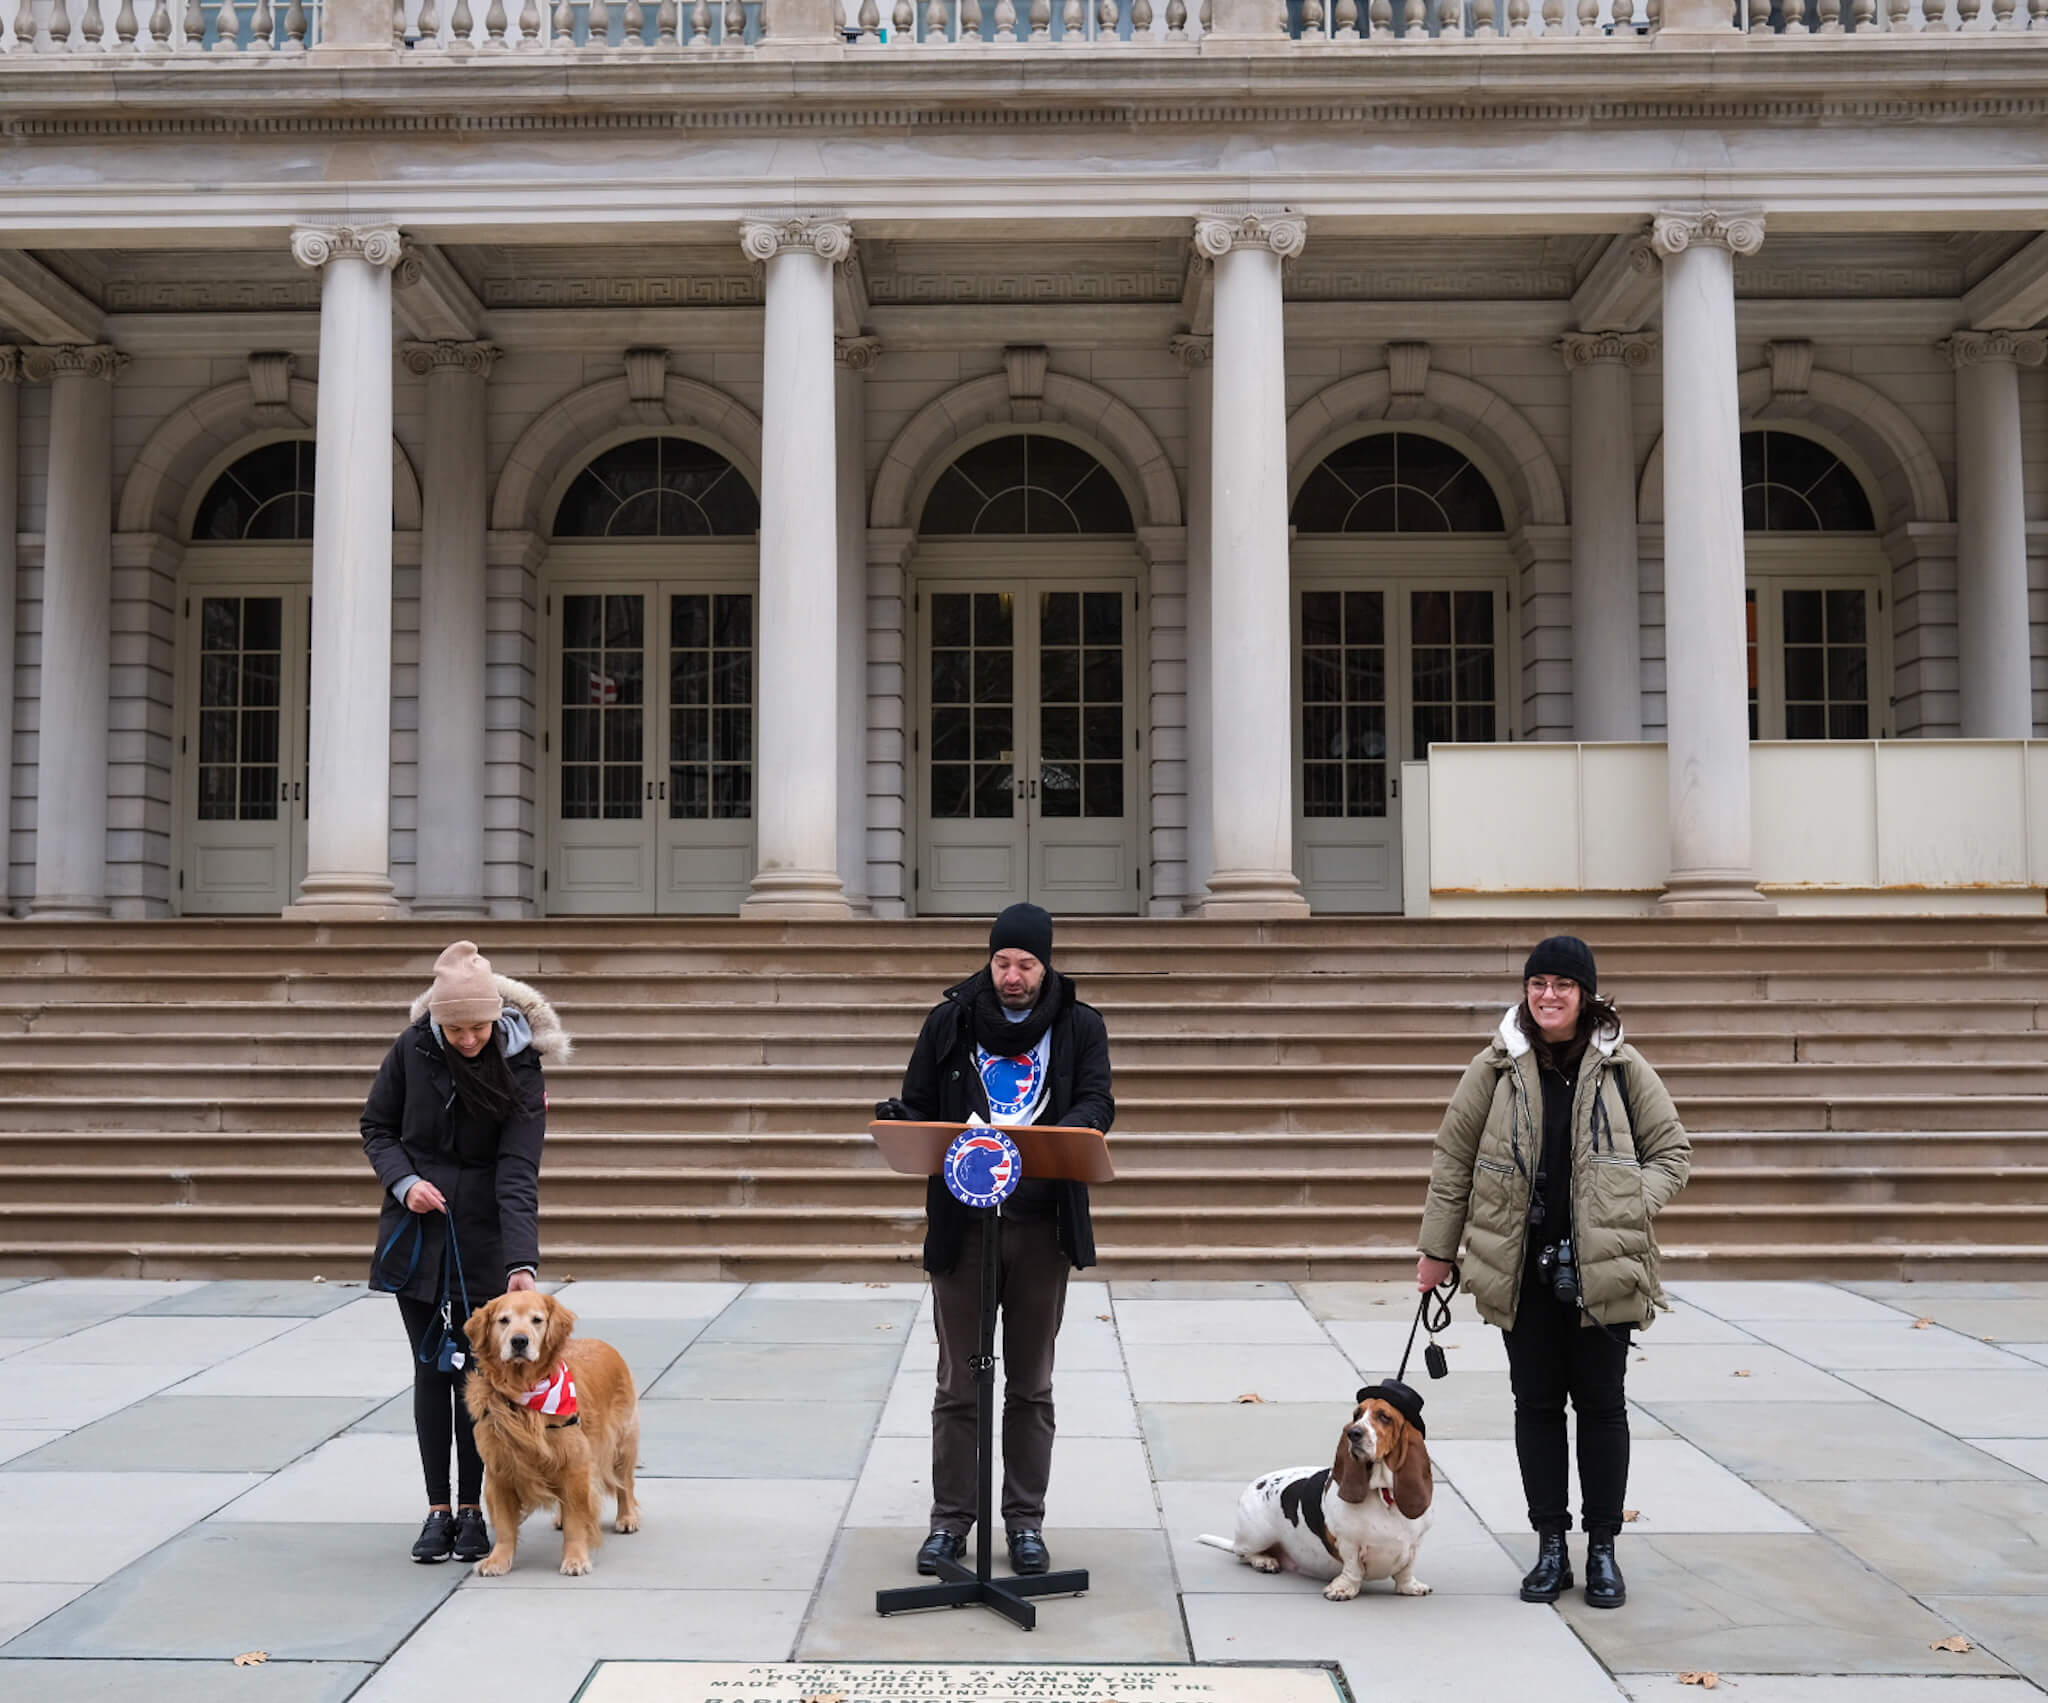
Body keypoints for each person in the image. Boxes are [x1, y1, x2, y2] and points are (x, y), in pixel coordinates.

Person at [1416, 935, 1689, 1611]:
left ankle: (1601, 1550)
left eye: (1563, 984)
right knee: (1536, 1407)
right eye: (1538, 983)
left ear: (1586, 993)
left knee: (1601, 1407)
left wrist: (1626, 1203)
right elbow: (1453, 1161)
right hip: (1524, 1267)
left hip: (1607, 1270)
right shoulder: (1495, 1067)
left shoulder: (1623, 1066)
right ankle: (1548, 1547)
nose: (1548, 996)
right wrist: (1436, 1249)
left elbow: (1672, 1153)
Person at [880, 902, 1114, 1581]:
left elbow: (1099, 1101)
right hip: (964, 1227)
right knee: (959, 1382)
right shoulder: (949, 1019)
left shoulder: (1079, 1025)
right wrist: (905, 1117)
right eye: (1003, 962)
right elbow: (920, 1098)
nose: (1013, 976)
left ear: (1046, 965)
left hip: (1041, 1228)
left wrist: (1057, 1136)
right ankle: (950, 1523)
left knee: (1030, 1384)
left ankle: (1025, 1523)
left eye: (1026, 964)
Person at [361, 940, 568, 1566]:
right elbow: (377, 1128)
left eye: (478, 1026)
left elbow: (517, 1170)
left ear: (496, 1018)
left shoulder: (522, 1066)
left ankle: (480, 1509)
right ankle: (437, 1510)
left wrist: (520, 1266)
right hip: (418, 1231)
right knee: (432, 1370)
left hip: (484, 1237)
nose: (469, 1038)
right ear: (437, 1021)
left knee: (481, 1380)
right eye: (456, 1028)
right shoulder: (411, 1049)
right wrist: (405, 1182)